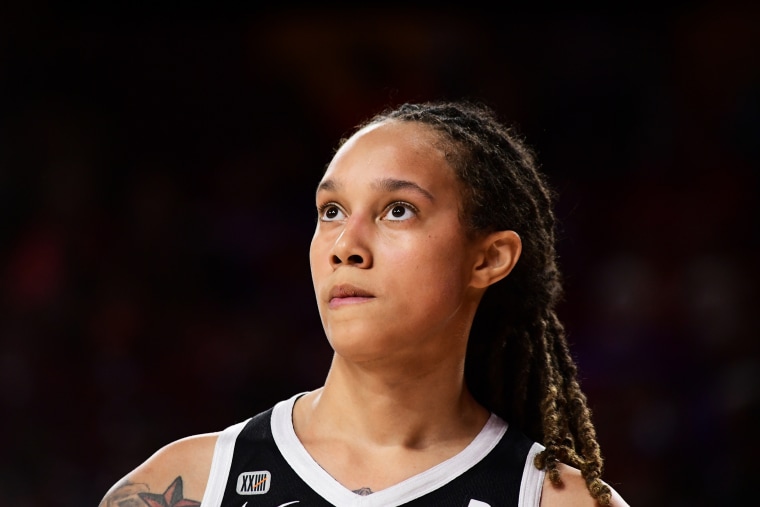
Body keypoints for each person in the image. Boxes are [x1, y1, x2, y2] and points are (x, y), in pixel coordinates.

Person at [99, 100, 630, 507]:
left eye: (397, 210)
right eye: (331, 211)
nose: (345, 245)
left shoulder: (560, 500)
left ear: (488, 259)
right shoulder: (186, 487)